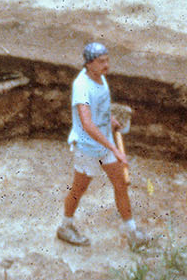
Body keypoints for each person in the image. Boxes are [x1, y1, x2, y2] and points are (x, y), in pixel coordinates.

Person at [57, 41, 152, 249]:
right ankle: (65, 226)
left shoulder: (100, 77)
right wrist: (114, 148)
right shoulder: (81, 86)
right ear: (89, 64)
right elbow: (87, 124)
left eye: (107, 60)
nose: (106, 65)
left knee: (121, 184)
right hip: (87, 148)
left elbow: (101, 105)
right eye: (101, 62)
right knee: (79, 189)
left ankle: (131, 231)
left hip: (105, 143)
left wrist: (110, 119)